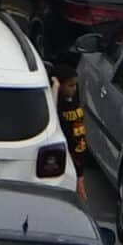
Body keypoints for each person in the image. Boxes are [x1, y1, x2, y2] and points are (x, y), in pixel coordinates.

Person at [52, 61, 89, 200]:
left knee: (79, 190)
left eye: (75, 85)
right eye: (70, 85)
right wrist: (55, 88)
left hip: (79, 151)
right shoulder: (59, 104)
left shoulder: (74, 100)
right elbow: (53, 111)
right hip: (68, 153)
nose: (74, 89)